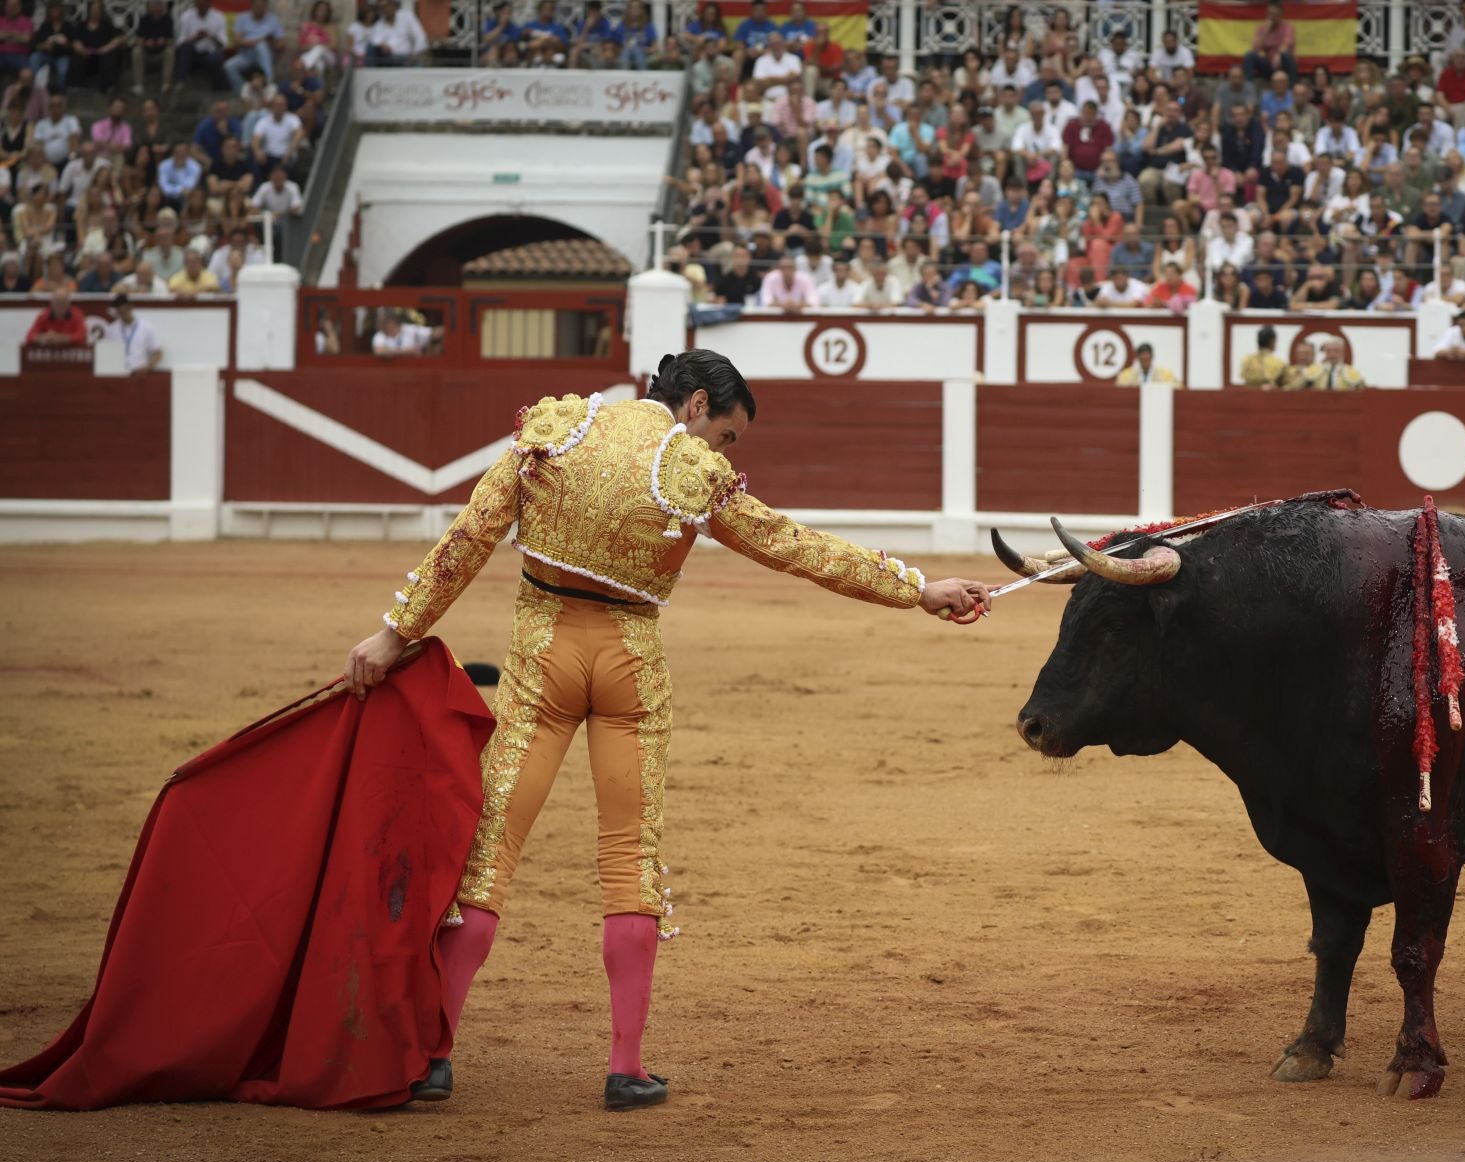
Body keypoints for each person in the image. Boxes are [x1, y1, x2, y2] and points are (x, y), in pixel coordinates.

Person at [340, 351, 991, 1110]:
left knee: (490, 854)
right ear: (695, 405)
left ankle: (435, 1054)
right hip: (630, 668)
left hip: (543, 655)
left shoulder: (556, 429)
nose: (720, 454)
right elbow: (796, 547)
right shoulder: (690, 470)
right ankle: (625, 1067)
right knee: (629, 856)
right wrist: (919, 590)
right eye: (726, 436)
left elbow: (467, 539)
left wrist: (395, 634)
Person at [104, 294, 162, 373]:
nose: (123, 314)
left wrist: (148, 367)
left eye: (124, 311)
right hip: (118, 372)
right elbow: (106, 353)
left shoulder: (146, 327)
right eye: (120, 312)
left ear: (130, 308)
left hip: (139, 372)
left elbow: (158, 352)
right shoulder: (111, 329)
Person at [371, 308, 441, 356]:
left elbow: (435, 332)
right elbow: (379, 352)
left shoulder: (411, 329)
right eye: (380, 321)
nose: (380, 324)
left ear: (392, 321)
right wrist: (408, 351)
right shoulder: (379, 336)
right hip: (389, 372)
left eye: (383, 321)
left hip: (414, 371)